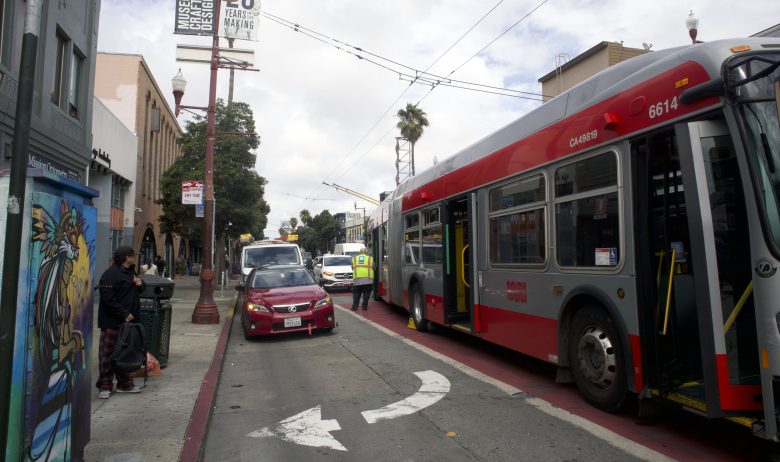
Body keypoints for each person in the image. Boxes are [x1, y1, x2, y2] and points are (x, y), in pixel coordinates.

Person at [96, 246, 146, 399]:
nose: (134, 258)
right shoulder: (110, 274)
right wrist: (124, 313)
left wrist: (140, 284)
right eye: (132, 255)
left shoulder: (131, 272)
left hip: (128, 323)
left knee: (125, 353)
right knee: (108, 354)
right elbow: (107, 298)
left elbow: (139, 290)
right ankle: (105, 385)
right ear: (126, 257)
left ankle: (125, 384)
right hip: (112, 322)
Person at [351, 246, 374, 311]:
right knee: (366, 294)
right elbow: (374, 267)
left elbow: (352, 267)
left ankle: (354, 307)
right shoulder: (370, 258)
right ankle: (364, 307)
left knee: (356, 294)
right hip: (368, 280)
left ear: (360, 252)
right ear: (366, 252)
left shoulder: (354, 258)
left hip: (357, 280)